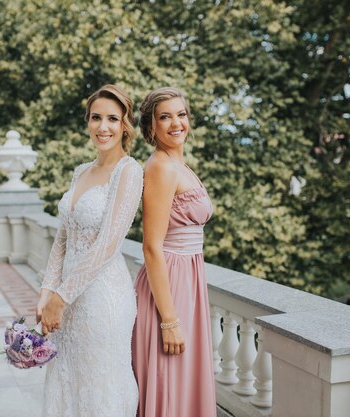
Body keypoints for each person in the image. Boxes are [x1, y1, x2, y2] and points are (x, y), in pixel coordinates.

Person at [38, 84, 142, 417]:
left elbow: (107, 245)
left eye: (113, 118)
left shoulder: (129, 171)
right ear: (87, 122)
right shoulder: (81, 171)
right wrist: (46, 290)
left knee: (100, 390)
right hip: (65, 302)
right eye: (96, 118)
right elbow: (63, 238)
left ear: (125, 125)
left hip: (102, 300)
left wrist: (60, 298)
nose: (103, 127)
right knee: (67, 383)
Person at [132, 87, 216, 417]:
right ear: (151, 127)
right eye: (165, 117)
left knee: (183, 383)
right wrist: (169, 320)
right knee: (168, 385)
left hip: (188, 280)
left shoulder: (178, 164)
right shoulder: (160, 168)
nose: (176, 122)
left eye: (181, 114)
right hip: (169, 284)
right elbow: (151, 246)